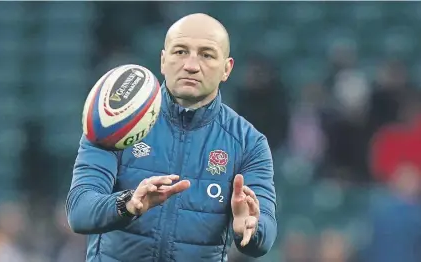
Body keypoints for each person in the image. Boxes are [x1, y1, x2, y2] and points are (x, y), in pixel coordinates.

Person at [65, 13, 277, 262]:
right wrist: (128, 204)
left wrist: (252, 229)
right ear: (163, 60)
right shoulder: (116, 120)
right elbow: (79, 211)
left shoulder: (249, 143)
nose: (191, 65)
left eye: (207, 55)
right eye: (180, 52)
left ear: (226, 68)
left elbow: (265, 233)